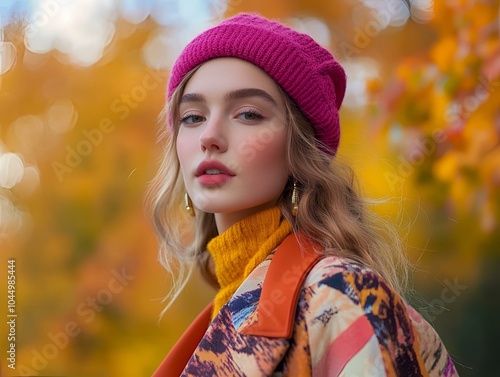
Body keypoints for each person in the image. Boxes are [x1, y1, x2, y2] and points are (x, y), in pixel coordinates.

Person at [147, 12, 459, 377]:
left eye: (248, 114)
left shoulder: (339, 297)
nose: (208, 136)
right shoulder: (225, 311)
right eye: (192, 116)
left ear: (300, 148)